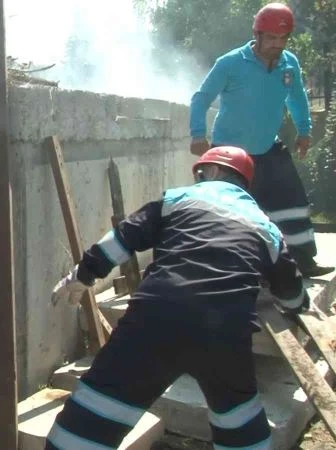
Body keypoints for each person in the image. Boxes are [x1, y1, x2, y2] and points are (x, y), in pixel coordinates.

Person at [44, 146, 309, 450]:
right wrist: (300, 305)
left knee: (92, 419)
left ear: (210, 171)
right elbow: (290, 292)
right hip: (224, 330)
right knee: (240, 423)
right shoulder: (267, 228)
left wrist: (82, 275)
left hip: (157, 315)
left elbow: (124, 236)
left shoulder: (179, 199)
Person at [189, 3, 332, 278]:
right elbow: (201, 98)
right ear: (257, 35)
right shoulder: (230, 63)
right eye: (271, 38)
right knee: (227, 212)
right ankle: (224, 270)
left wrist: (304, 130)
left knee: (292, 202)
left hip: (268, 147)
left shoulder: (289, 63)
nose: (277, 45)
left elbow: (298, 98)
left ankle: (303, 262)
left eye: (283, 38)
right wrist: (197, 133)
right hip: (229, 154)